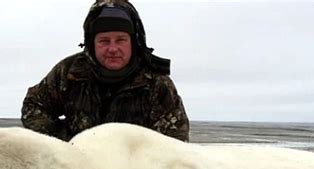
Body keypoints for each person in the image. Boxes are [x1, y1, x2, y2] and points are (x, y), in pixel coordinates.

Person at [21, 0, 189, 142]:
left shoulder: (157, 84)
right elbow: (34, 105)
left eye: (121, 40)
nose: (113, 48)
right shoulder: (69, 72)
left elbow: (175, 145)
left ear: (134, 41)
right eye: (104, 41)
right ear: (91, 43)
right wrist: (62, 146)